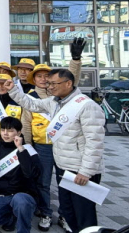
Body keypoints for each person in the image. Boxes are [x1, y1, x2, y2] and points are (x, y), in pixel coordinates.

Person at [6, 68, 105, 233]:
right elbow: (32, 104)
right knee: (68, 210)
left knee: (84, 215)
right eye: (49, 83)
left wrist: (86, 171)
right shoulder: (55, 102)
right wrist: (13, 90)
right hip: (64, 167)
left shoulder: (87, 106)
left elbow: (94, 142)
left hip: (81, 170)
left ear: (68, 83)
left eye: (53, 83)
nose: (49, 87)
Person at [20, 38, 84, 232]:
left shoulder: (62, 95)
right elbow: (26, 124)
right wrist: (28, 146)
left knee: (66, 181)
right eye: (39, 76)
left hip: (64, 145)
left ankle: (65, 215)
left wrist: (75, 60)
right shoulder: (30, 98)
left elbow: (72, 77)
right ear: (34, 79)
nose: (43, 79)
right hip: (42, 147)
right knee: (43, 182)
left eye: (46, 76)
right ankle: (45, 213)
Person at [0, 117, 41, 233]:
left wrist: (20, 149)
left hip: (21, 194)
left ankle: (23, 229)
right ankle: (12, 218)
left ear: (19, 133)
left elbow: (30, 174)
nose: (5, 134)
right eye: (3, 130)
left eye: (10, 131)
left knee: (21, 201)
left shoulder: (27, 150)